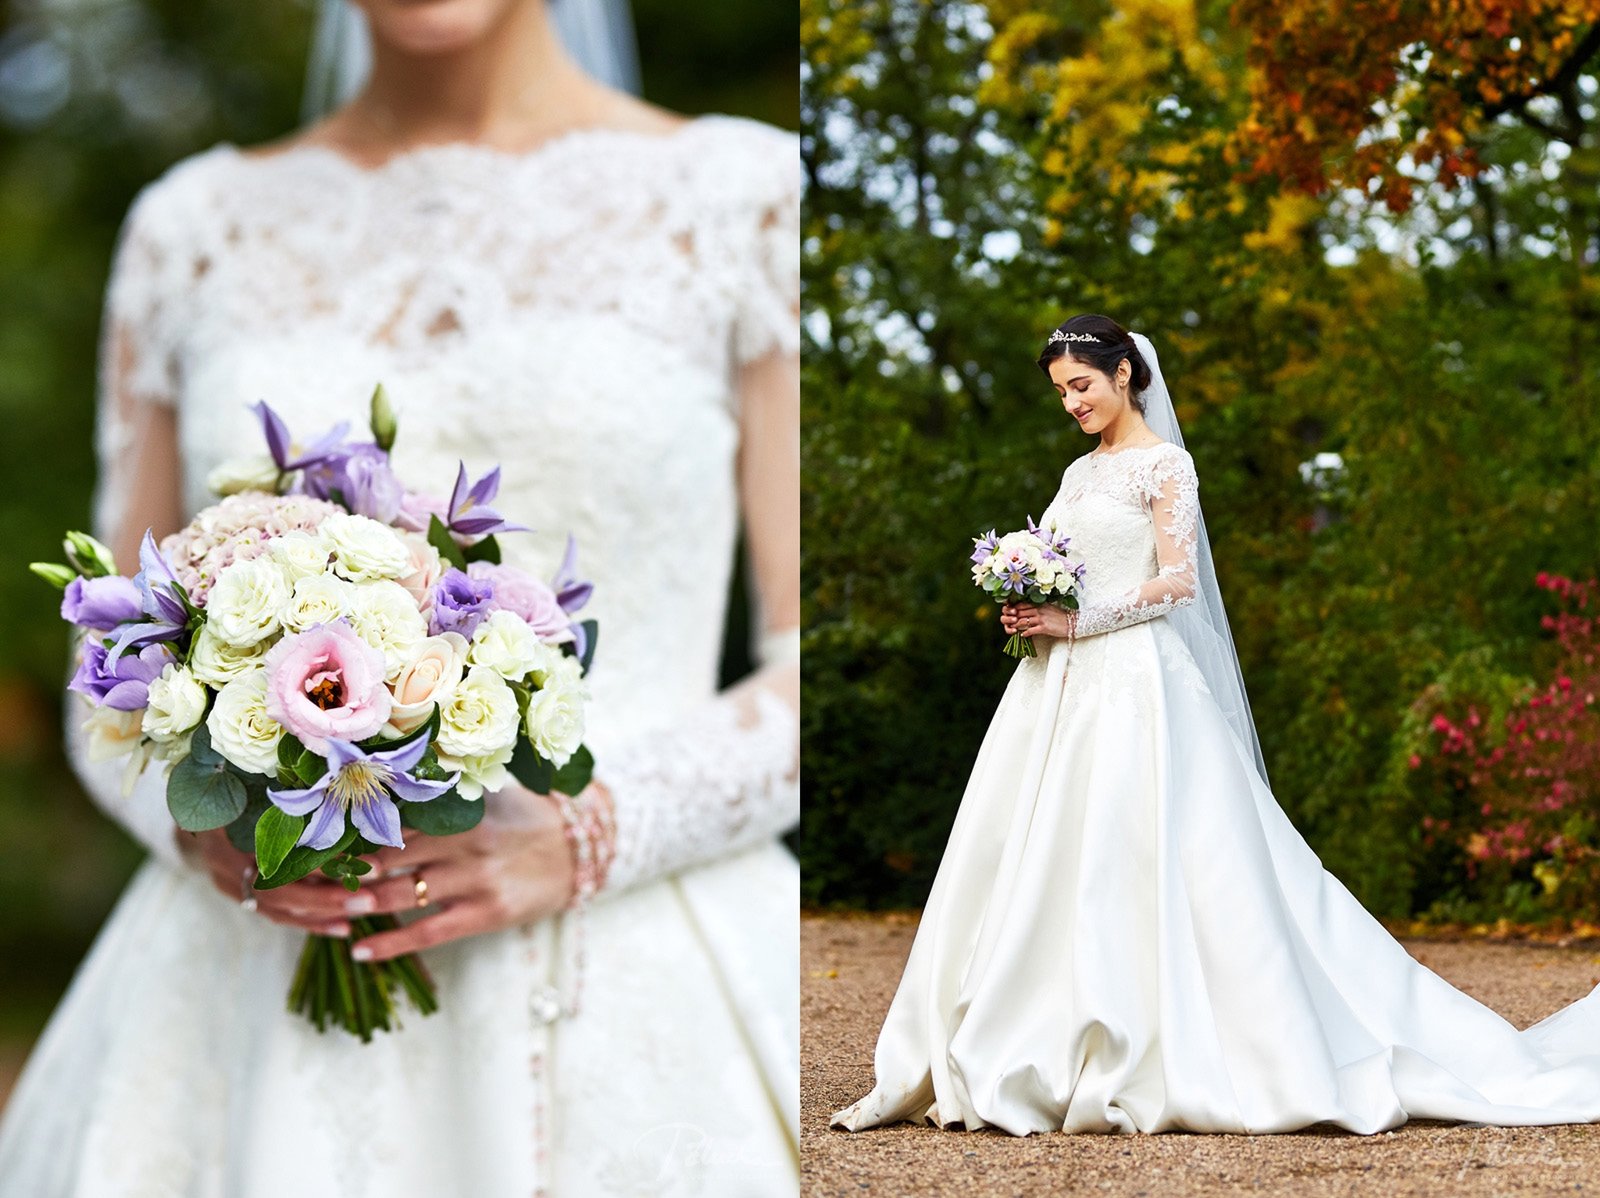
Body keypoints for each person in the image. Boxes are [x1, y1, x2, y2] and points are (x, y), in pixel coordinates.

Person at [0, 0, 800, 1193]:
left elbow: (816, 657)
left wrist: (590, 833)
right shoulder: (191, 228)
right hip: (249, 962)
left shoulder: (748, 197)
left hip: (634, 956)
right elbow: (102, 663)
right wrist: (199, 819)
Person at [830, 313, 1600, 1137]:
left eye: (1081, 385)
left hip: (1138, 685)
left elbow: (1177, 583)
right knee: (1031, 847)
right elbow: (1069, 569)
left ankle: (1148, 1039)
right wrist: (1030, 609)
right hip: (1054, 692)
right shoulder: (1075, 473)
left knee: (1147, 852)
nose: (1073, 404)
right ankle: (1025, 1029)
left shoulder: (1167, 465)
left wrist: (1077, 620)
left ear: (1125, 374)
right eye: (1061, 393)